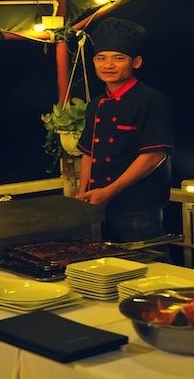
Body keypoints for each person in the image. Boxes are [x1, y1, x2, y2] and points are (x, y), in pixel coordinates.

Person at [75, 17, 174, 242]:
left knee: (148, 262)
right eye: (101, 58)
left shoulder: (151, 100)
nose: (108, 65)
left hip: (137, 209)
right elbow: (88, 153)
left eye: (118, 58)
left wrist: (109, 191)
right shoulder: (96, 103)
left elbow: (154, 155)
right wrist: (82, 195)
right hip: (98, 204)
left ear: (136, 62)